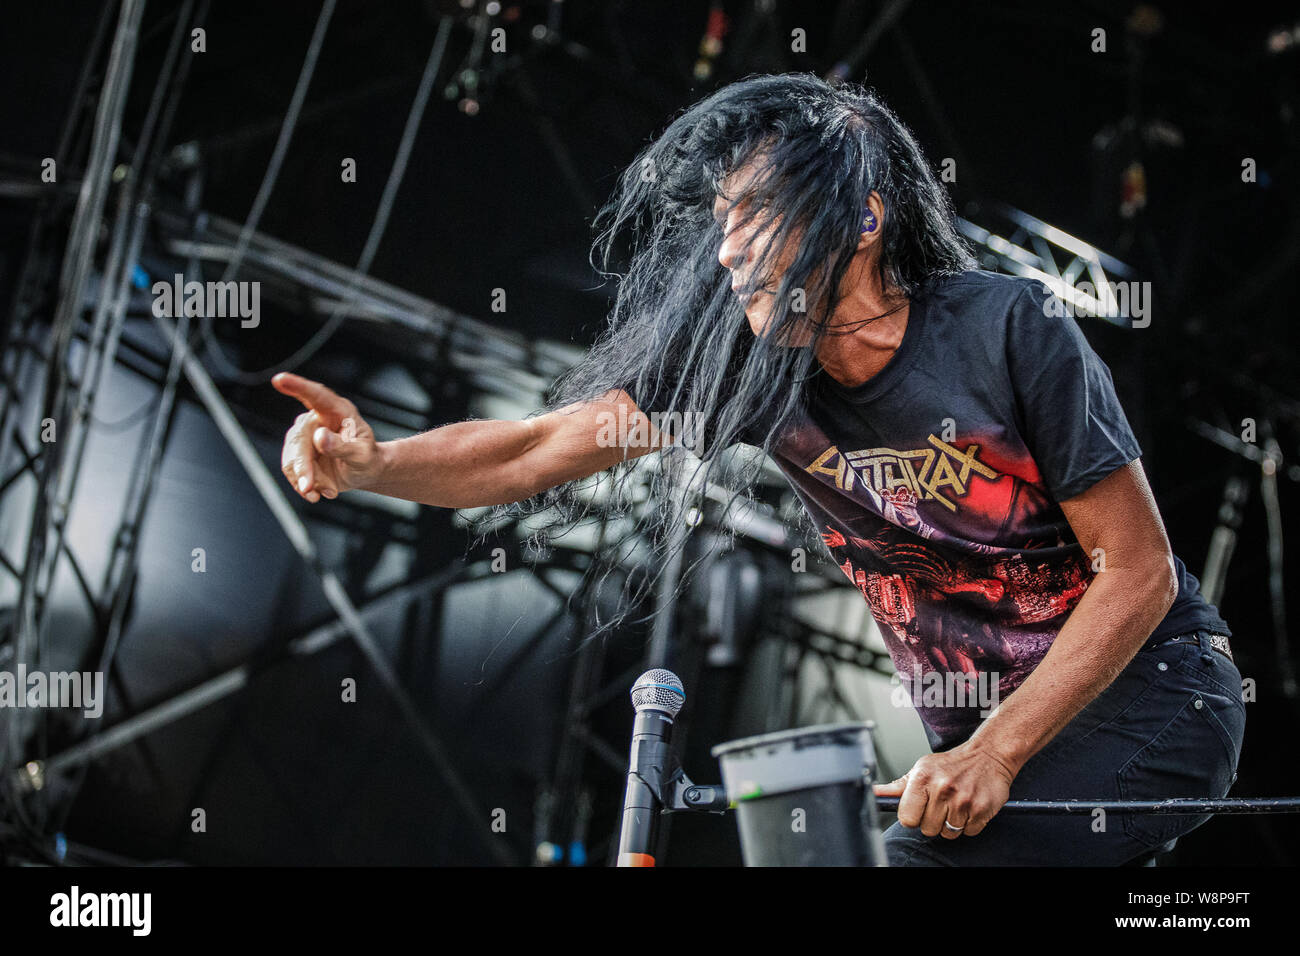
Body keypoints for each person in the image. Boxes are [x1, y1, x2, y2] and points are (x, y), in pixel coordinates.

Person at [273, 73, 1244, 865]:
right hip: (993, 753)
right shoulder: (748, 367)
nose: (730, 246)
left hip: (1157, 696)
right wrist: (375, 462)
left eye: (759, 212)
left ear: (862, 220)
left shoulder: (1005, 329)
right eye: (722, 217)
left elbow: (1140, 570)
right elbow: (537, 446)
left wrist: (994, 746)